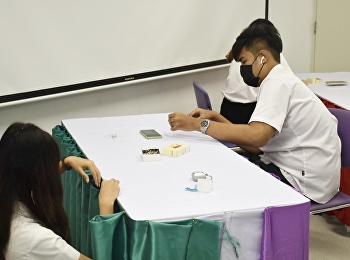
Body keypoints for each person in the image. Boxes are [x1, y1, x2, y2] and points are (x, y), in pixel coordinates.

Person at [168, 23, 341, 204]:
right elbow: (257, 144)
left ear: (263, 57)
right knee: (230, 166)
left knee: (226, 179)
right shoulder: (278, 78)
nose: (243, 68)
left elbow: (256, 138)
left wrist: (197, 125)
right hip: (308, 172)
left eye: (244, 61)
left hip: (305, 181)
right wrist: (217, 118)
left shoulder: (277, 82)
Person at [0, 122, 120, 260]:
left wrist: (65, 163)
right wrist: (106, 207)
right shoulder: (37, 240)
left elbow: (24, 175)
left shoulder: (7, 193)